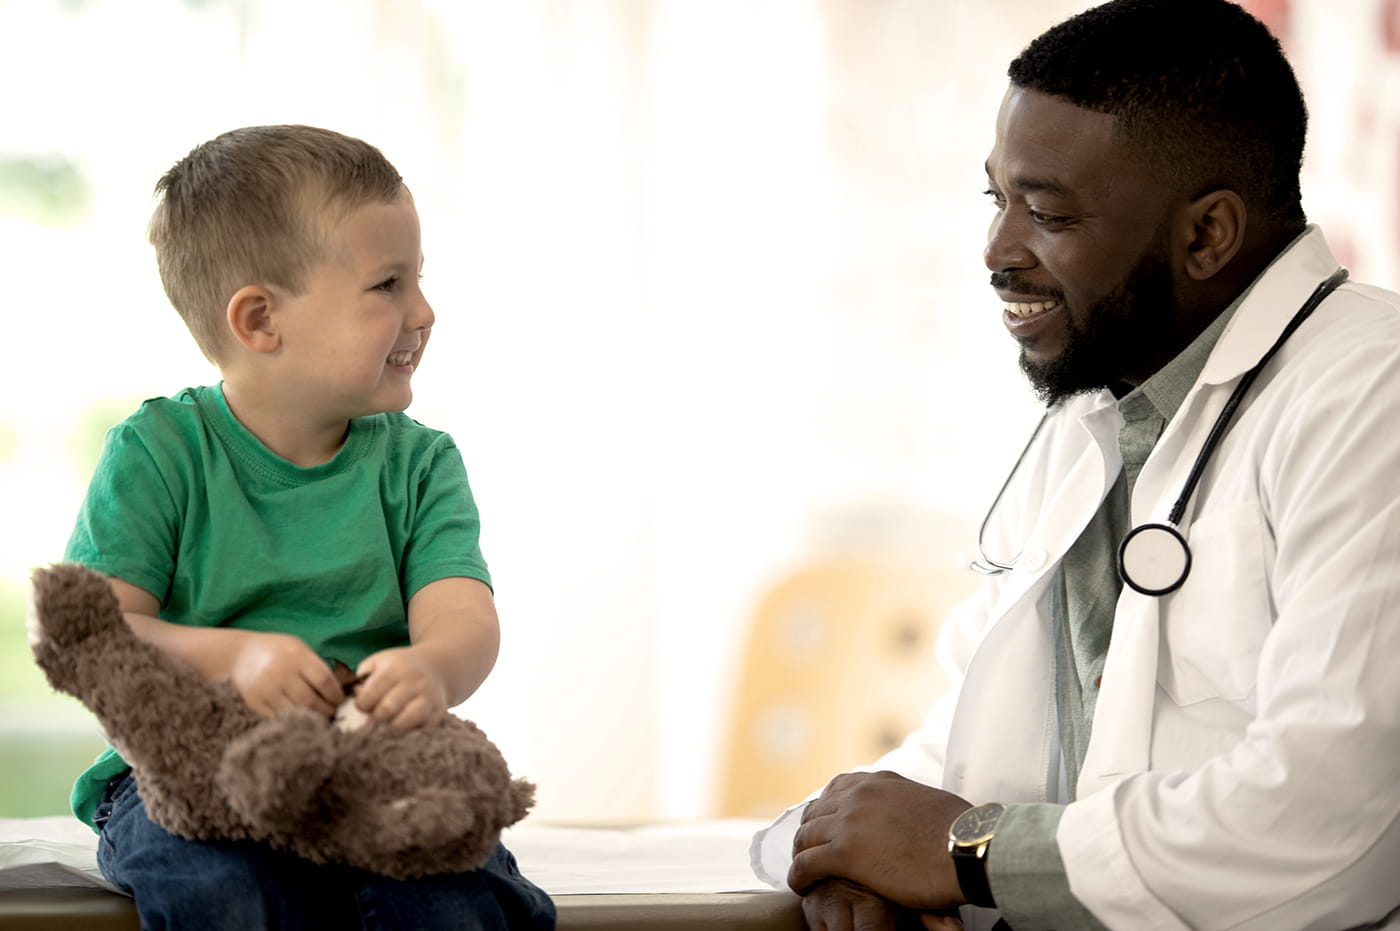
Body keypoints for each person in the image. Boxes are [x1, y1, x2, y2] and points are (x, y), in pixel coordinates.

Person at [750, 1, 1400, 929]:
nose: (997, 251)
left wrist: (973, 855)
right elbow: (949, 764)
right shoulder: (1090, 420)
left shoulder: (1370, 395)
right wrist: (841, 856)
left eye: (1048, 212)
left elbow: (1333, 823)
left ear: (1207, 234)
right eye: (997, 198)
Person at [62, 125, 556, 929]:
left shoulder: (420, 464)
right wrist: (237, 657)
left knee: (452, 894)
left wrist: (431, 666)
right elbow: (99, 636)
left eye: (418, 278)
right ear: (261, 320)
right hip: (184, 773)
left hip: (368, 761)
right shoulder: (158, 452)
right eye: (388, 284)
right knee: (231, 890)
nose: (424, 310)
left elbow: (462, 613)